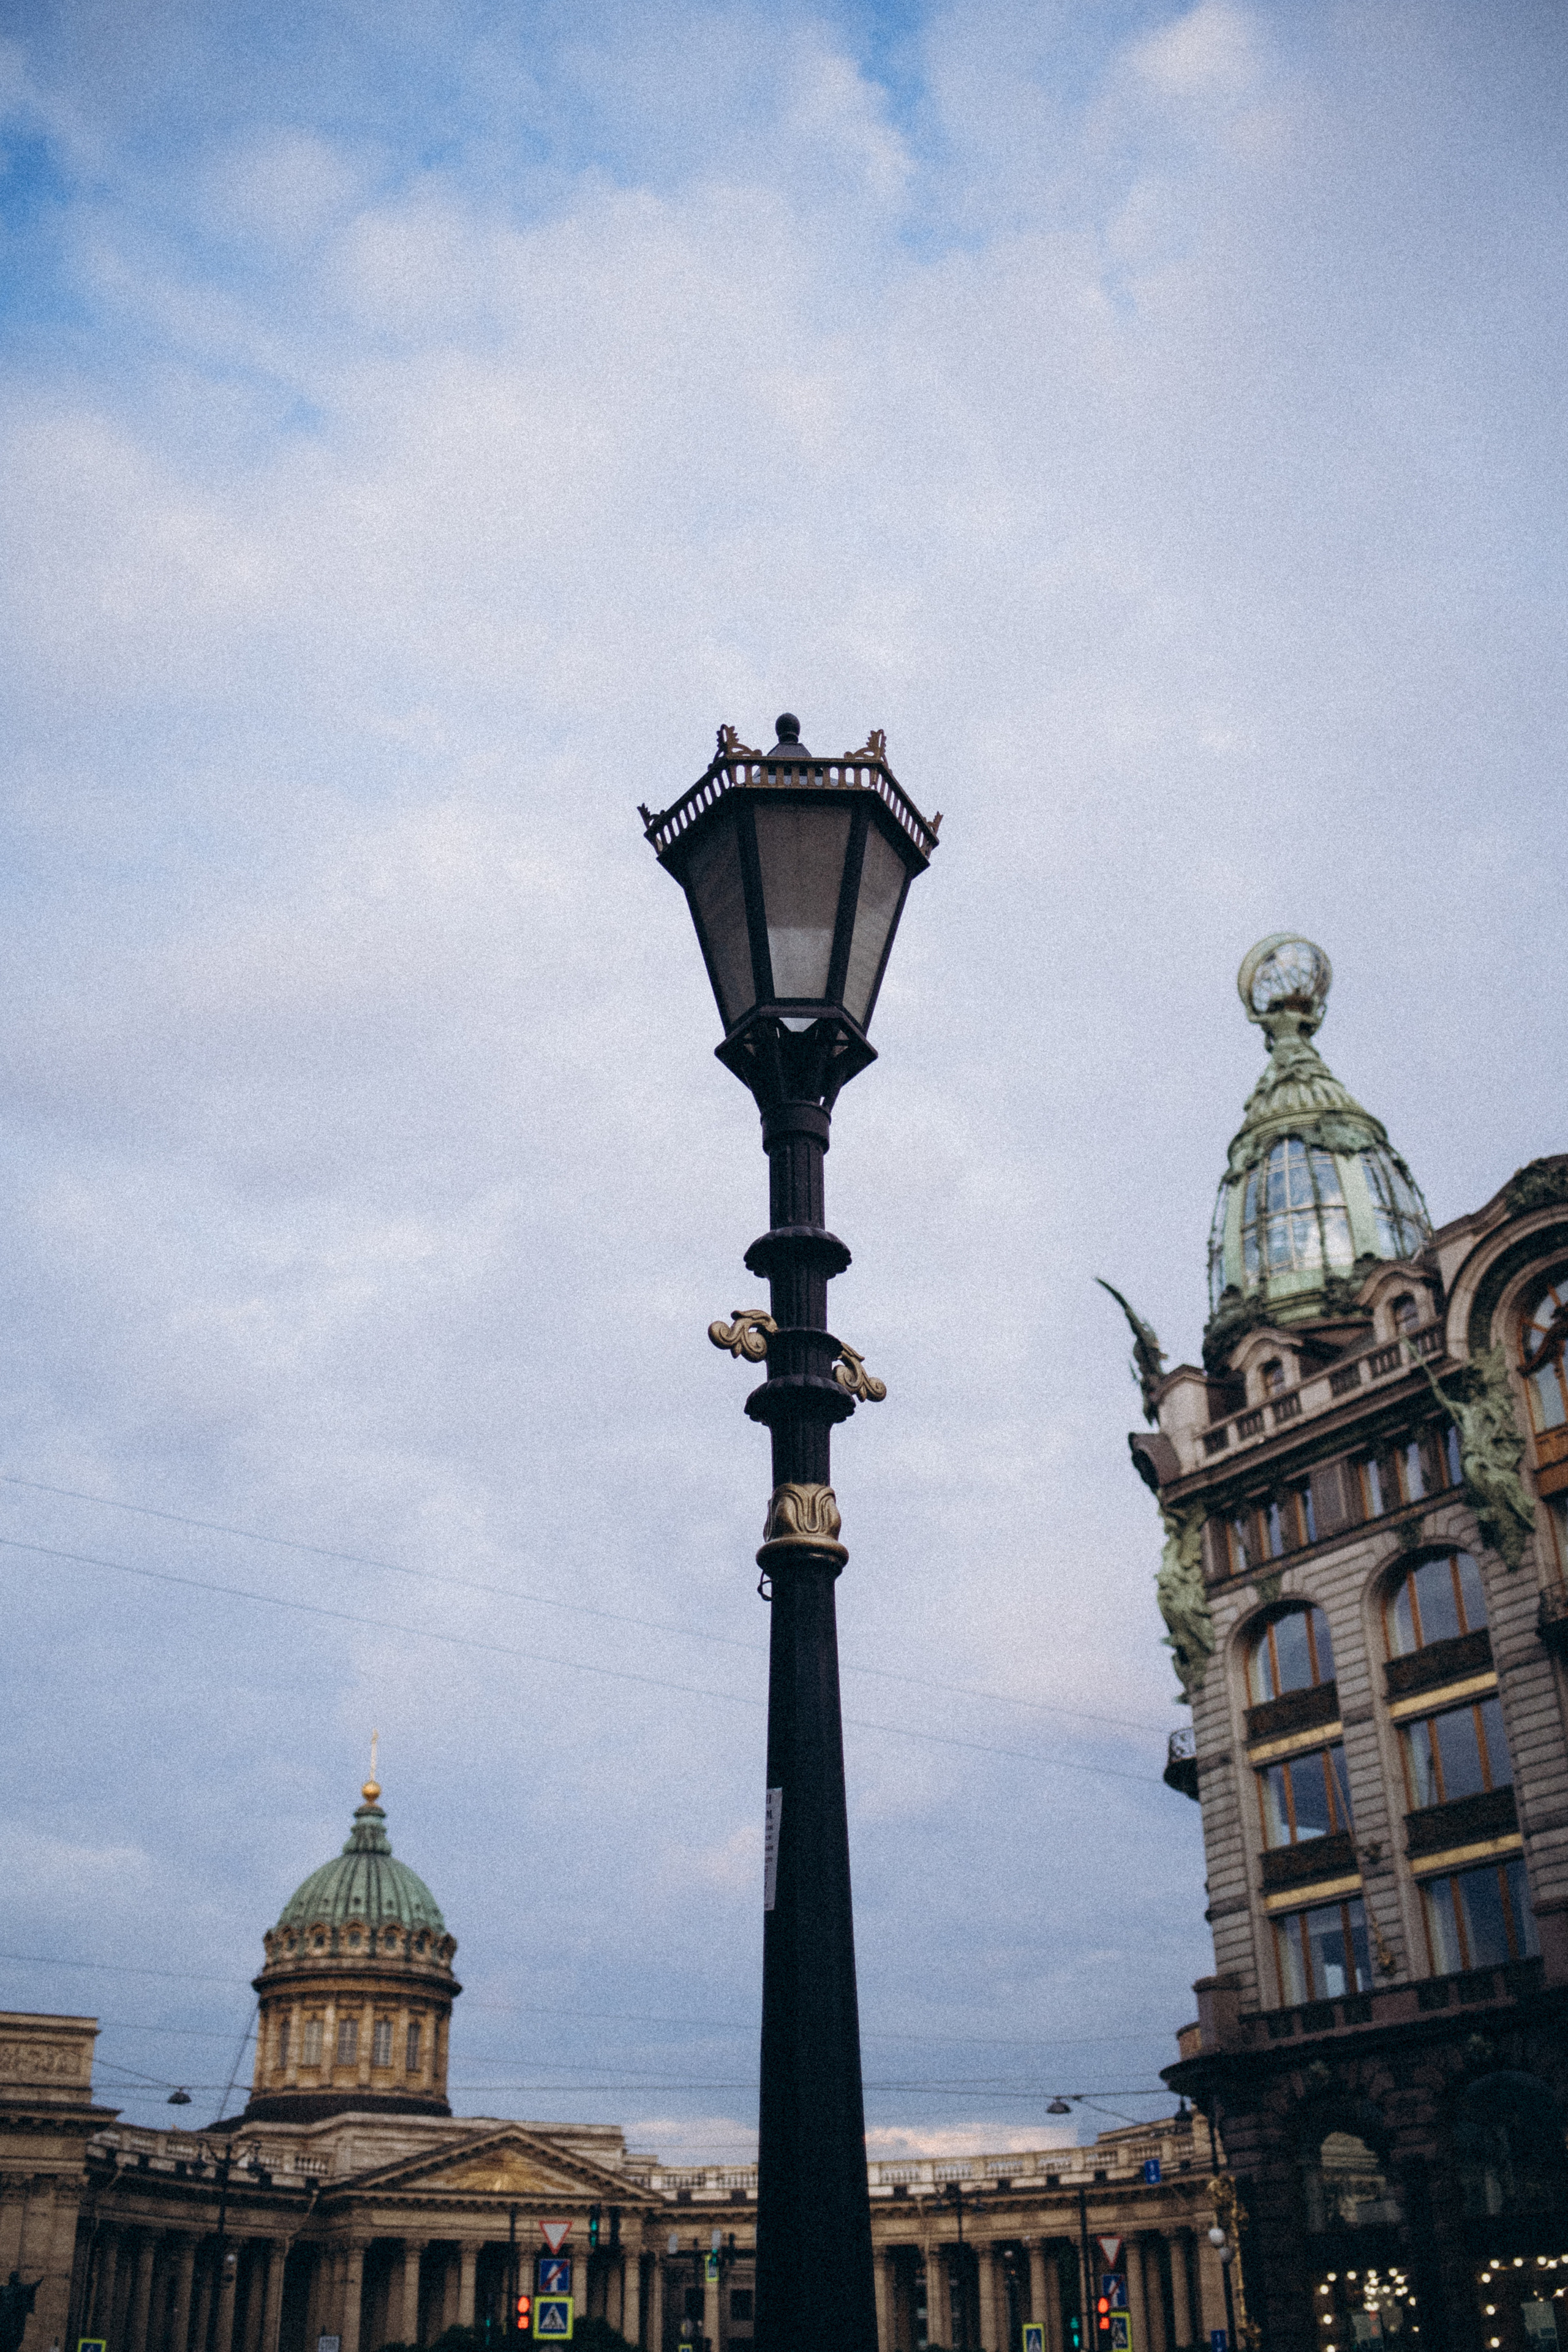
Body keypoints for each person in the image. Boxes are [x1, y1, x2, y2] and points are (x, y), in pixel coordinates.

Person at [0, 2271, 40, 2352]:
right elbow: (31, 2288)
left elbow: (31, 2288)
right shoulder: (18, 2290)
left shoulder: (4, 2290)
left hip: (7, 2326)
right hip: (9, 2326)